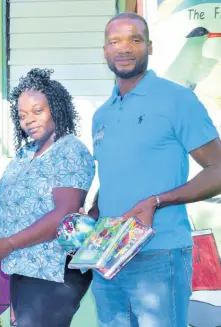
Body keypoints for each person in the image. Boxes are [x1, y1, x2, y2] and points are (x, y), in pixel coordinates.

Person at [86, 12, 221, 327]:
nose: (124, 48)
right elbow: (117, 176)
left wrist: (156, 201)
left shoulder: (177, 100)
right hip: (108, 254)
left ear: (149, 47)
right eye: (115, 41)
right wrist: (92, 211)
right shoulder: (102, 115)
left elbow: (218, 169)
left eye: (135, 39)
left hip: (160, 254)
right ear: (104, 51)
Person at [0, 68, 95, 327]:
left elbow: (65, 213)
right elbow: (11, 199)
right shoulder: (26, 153)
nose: (29, 120)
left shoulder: (70, 150)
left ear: (57, 109)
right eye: (22, 115)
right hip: (23, 268)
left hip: (54, 272)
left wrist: (7, 245)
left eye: (38, 111)